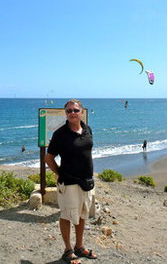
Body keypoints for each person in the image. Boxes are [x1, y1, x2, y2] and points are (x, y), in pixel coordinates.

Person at [45, 99, 98, 264]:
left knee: (82, 214)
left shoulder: (87, 129)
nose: (72, 113)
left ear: (81, 111)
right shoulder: (60, 134)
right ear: (65, 114)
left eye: (75, 110)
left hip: (86, 182)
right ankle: (68, 250)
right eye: (69, 111)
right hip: (68, 183)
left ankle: (79, 247)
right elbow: (49, 158)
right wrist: (60, 173)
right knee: (67, 215)